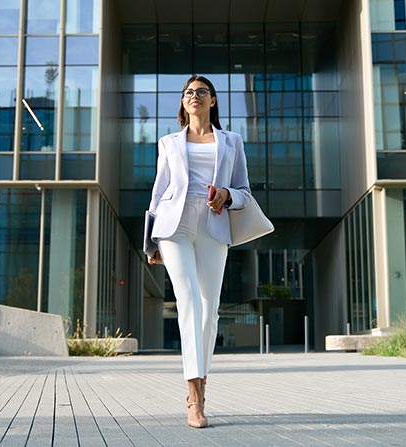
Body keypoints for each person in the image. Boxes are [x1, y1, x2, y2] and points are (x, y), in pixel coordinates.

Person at [147, 75, 251, 428]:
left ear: (213, 100)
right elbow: (158, 192)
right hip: (175, 226)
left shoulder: (231, 141)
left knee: (210, 311)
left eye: (201, 91)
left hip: (213, 223)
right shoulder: (169, 143)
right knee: (189, 302)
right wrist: (150, 242)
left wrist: (228, 194)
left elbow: (245, 192)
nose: (194, 96)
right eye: (189, 92)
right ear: (183, 101)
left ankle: (203, 385)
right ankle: (194, 397)